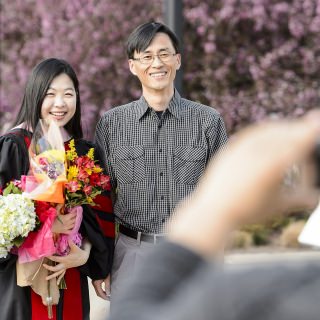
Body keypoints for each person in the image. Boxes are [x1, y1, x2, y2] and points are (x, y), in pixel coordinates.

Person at [109, 111, 320, 320]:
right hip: (132, 247)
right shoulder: (113, 122)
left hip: (174, 258)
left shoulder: (258, 297)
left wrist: (214, 207)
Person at [94, 21, 228, 301]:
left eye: (164, 54)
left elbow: (223, 196)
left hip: (192, 250)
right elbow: (100, 200)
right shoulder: (111, 124)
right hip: (131, 253)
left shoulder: (208, 121)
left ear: (177, 60)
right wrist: (100, 263)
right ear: (133, 65)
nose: (157, 63)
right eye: (147, 56)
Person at [0, 58, 114, 320]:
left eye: (68, 94)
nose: (60, 103)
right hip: (22, 284)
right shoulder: (14, 146)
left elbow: (100, 219)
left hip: (70, 274)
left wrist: (85, 254)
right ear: (35, 96)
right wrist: (47, 226)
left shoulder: (84, 153)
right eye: (50, 94)